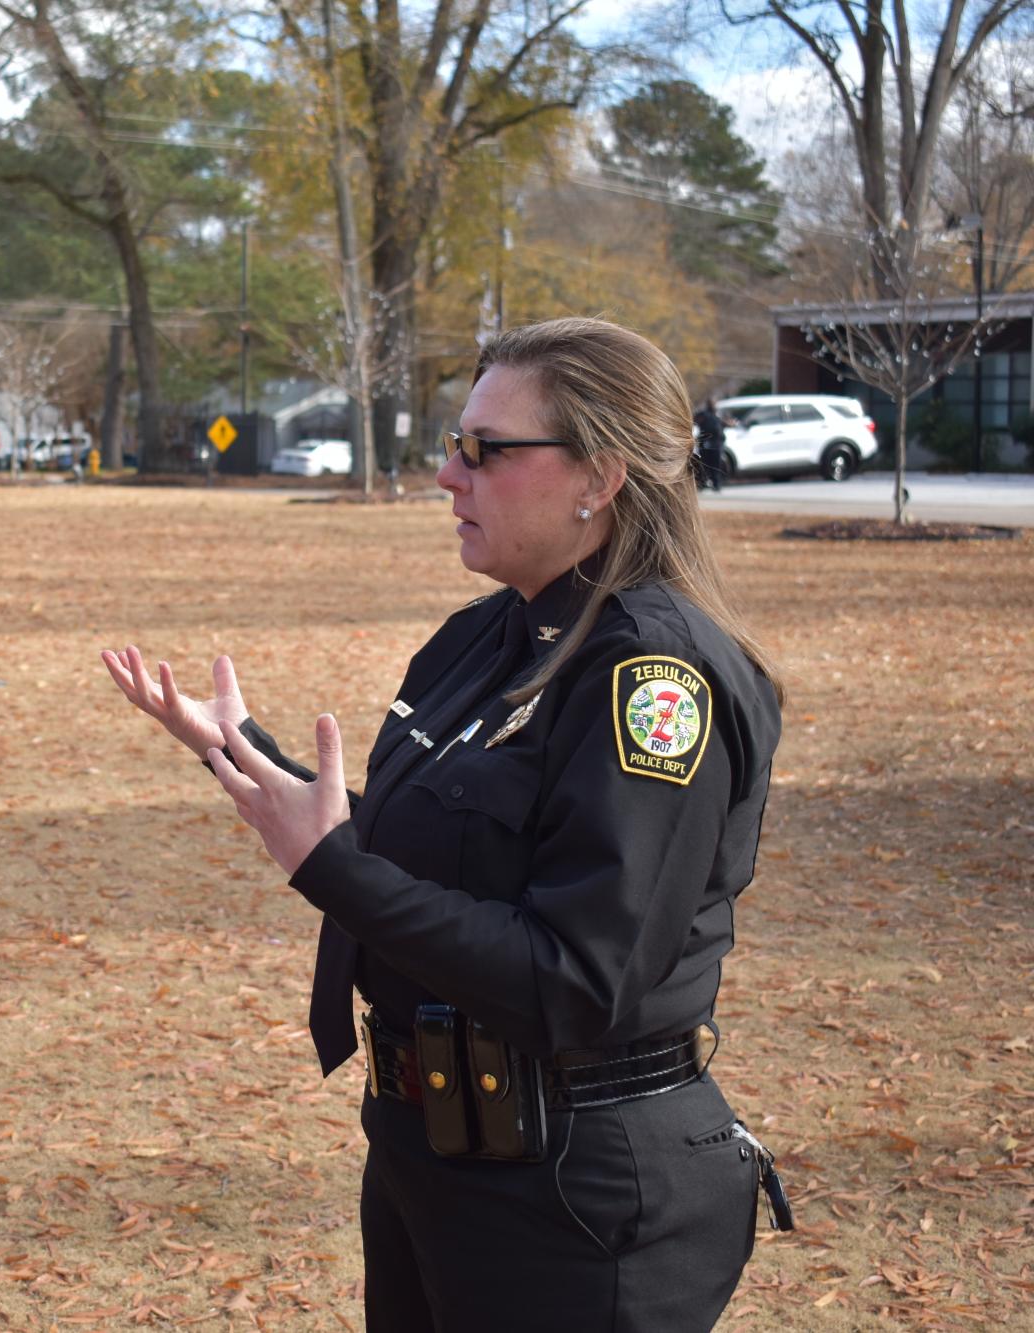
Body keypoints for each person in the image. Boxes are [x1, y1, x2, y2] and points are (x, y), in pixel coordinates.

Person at [103, 317, 788, 1330]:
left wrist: (326, 866)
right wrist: (242, 754)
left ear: (596, 477)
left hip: (570, 1191)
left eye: (482, 449)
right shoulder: (486, 636)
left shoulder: (646, 678)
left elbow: (575, 978)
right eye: (451, 442)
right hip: (438, 1157)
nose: (445, 475)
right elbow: (424, 848)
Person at [694, 398, 727, 492]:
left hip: (717, 443)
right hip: (706, 443)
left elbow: (725, 423)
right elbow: (696, 420)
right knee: (705, 464)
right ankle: (703, 483)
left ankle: (716, 484)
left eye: (714, 403)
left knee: (716, 464)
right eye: (711, 403)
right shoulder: (703, 414)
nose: (713, 405)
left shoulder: (719, 414)